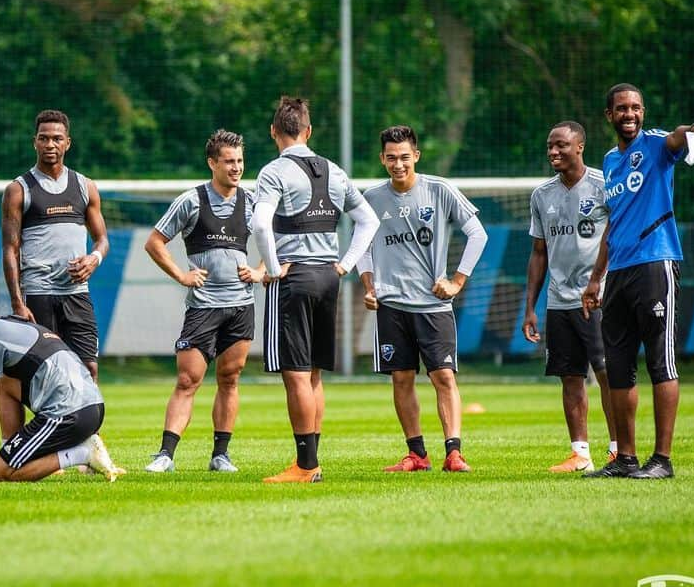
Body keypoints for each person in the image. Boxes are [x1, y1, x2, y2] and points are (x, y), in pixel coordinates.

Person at [581, 83, 694, 479]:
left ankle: (663, 460)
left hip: (655, 264)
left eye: (636, 107)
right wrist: (595, 279)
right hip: (618, 272)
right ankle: (625, 459)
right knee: (618, 368)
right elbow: (613, 223)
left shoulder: (655, 144)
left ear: (643, 112)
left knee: (660, 362)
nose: (630, 114)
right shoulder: (609, 161)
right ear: (609, 115)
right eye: (622, 108)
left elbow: (678, 136)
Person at [252, 97, 380, 483]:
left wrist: (272, 270)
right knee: (313, 375)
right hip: (329, 276)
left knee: (294, 375)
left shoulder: (274, 171)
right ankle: (312, 461)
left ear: (274, 132)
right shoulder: (335, 171)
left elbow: (260, 226)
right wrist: (344, 265)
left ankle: (305, 465)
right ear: (308, 131)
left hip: (294, 280)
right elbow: (368, 221)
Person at [360, 125, 488, 474]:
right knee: (401, 379)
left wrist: (457, 281)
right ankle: (417, 455)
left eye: (404, 157)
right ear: (382, 159)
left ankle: (454, 453)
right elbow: (362, 248)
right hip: (391, 306)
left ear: (415, 155)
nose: (398, 164)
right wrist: (369, 286)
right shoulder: (371, 198)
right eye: (391, 158)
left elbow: (477, 234)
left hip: (433, 306)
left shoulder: (440, 190)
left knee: (443, 377)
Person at [143, 129, 263, 474]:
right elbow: (154, 242)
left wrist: (259, 270)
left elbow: (278, 242)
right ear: (212, 163)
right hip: (203, 306)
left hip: (241, 306)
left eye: (240, 161)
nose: (236, 167)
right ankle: (165, 455)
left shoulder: (252, 201)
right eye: (229, 161)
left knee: (231, 378)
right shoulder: (191, 200)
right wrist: (182, 275)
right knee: (188, 380)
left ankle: (220, 455)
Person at [522, 121, 617, 473]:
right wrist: (530, 307)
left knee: (608, 372)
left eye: (561, 145)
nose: (553, 152)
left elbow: (616, 237)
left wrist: (599, 282)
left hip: (598, 299)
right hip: (559, 302)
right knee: (569, 375)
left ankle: (617, 449)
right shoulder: (541, 195)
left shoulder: (604, 186)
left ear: (580, 146)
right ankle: (580, 454)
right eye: (550, 145)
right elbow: (538, 253)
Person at [0, 293, 123, 483]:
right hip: (95, 407)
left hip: (68, 414)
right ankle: (11, 450)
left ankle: (82, 453)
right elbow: (7, 387)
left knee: (1, 472)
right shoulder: (17, 323)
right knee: (5, 381)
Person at [2, 110, 109, 380]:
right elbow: (10, 250)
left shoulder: (85, 186)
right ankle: (46, 424)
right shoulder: (18, 189)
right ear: (34, 142)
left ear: (68, 143)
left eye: (57, 139)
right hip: (38, 294)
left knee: (88, 369)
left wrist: (93, 259)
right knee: (44, 372)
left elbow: (102, 239)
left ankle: (86, 424)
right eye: (44, 138)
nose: (50, 145)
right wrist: (17, 302)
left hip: (77, 293)